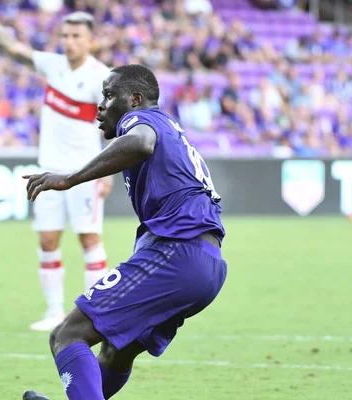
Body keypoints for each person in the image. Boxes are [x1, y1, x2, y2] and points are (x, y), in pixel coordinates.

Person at [22, 64, 228, 400]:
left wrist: (69, 178)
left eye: (108, 95)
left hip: (177, 255)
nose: (100, 105)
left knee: (67, 334)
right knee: (116, 353)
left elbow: (142, 143)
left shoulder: (142, 120)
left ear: (134, 99)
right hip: (207, 266)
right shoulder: (171, 129)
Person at [0, 0, 114, 331]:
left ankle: (97, 314)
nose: (69, 41)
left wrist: (110, 170)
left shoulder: (101, 78)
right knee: (47, 240)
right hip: (48, 170)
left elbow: (117, 125)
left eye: (76, 36)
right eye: (65, 35)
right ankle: (54, 312)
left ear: (90, 40)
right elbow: (10, 47)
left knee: (89, 239)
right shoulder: (53, 65)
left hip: (84, 173)